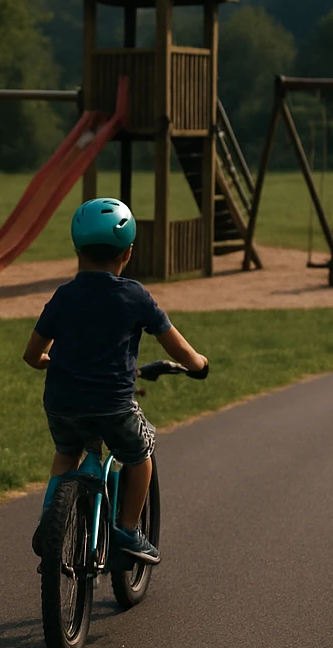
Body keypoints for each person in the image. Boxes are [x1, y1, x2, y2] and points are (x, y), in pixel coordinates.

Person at [22, 197, 208, 563]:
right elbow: (180, 348)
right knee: (141, 455)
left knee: (66, 453)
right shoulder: (135, 296)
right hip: (113, 406)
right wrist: (199, 364)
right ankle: (126, 530)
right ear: (129, 253)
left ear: (78, 250)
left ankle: (51, 520)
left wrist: (47, 361)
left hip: (63, 404)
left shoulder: (64, 296)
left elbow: (32, 354)